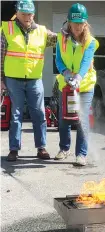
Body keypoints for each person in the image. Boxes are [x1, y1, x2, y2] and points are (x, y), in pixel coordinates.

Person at [0, 0, 57, 161]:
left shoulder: (42, 31)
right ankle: (13, 149)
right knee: (16, 115)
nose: (27, 17)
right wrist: (0, 80)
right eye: (24, 14)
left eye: (30, 14)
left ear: (34, 14)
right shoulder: (7, 29)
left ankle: (41, 148)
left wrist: (69, 33)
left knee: (39, 113)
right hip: (12, 79)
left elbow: (59, 41)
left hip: (34, 79)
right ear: (17, 13)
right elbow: (0, 54)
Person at [54, 3, 99, 166]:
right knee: (64, 118)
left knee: (82, 119)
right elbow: (58, 59)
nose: (78, 27)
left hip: (85, 85)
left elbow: (87, 61)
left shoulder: (91, 42)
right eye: (76, 23)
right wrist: (66, 73)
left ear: (85, 23)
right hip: (66, 85)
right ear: (69, 22)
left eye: (81, 23)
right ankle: (64, 149)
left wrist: (79, 77)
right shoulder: (61, 38)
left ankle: (81, 154)